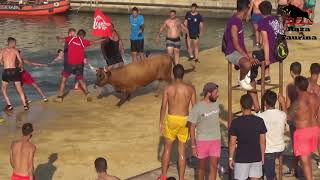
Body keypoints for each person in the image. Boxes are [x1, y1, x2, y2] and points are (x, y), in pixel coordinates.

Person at [158, 64, 196, 180]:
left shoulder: (168, 88)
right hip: (185, 120)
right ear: (183, 74)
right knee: (182, 150)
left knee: (168, 148)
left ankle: (164, 176)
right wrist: (194, 124)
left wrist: (161, 122)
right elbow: (195, 108)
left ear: (173, 75)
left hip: (171, 118)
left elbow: (163, 106)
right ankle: (182, 178)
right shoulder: (190, 89)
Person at [223, 0, 260, 111]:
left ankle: (257, 107)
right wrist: (247, 57)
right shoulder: (234, 22)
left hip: (239, 51)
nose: (250, 10)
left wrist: (249, 55)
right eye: (249, 8)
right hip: (231, 52)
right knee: (248, 64)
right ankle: (241, 79)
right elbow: (235, 45)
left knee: (257, 58)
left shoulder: (240, 20)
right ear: (245, 8)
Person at [280, 76, 320, 180]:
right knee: (307, 160)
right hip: (315, 129)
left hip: (303, 132)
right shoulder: (315, 96)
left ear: (297, 87)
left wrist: (283, 103)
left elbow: (288, 117)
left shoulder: (298, 101)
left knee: (305, 162)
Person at [56, 29, 103, 102]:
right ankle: (88, 94)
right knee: (80, 79)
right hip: (79, 65)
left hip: (70, 64)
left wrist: (58, 37)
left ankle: (59, 97)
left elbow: (61, 40)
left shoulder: (71, 38)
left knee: (63, 80)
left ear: (77, 34)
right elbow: (94, 42)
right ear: (83, 36)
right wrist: (103, 39)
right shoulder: (83, 41)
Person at [229, 94, 267, 180]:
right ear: (252, 105)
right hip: (256, 157)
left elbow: (232, 143)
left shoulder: (235, 122)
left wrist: (231, 158)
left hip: (241, 158)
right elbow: (263, 141)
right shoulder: (259, 121)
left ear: (241, 106)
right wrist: (262, 156)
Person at [188, 82, 222, 180]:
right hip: (202, 141)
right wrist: (193, 146)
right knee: (202, 168)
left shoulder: (216, 103)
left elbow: (215, 117)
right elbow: (192, 127)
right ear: (208, 94)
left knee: (214, 167)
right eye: (216, 93)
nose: (218, 94)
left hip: (216, 140)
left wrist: (224, 122)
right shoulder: (197, 108)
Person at [257, 90, 286, 180]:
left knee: (270, 175)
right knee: (269, 171)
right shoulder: (282, 114)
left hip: (268, 150)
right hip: (280, 147)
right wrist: (283, 103)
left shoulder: (260, 116)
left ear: (265, 102)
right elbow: (286, 114)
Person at [254, 1, 284, 84]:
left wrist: (267, 60)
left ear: (260, 11)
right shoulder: (277, 20)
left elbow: (265, 42)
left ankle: (250, 79)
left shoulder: (262, 22)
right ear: (271, 9)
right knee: (263, 51)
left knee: (254, 55)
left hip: (273, 54)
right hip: (282, 51)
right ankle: (266, 76)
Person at [0, 37, 28, 111]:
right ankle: (25, 106)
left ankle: (9, 105)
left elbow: (1, 62)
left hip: (6, 71)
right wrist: (20, 67)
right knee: (19, 89)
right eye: (15, 43)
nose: (15, 44)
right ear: (11, 43)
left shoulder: (2, 51)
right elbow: (20, 61)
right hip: (14, 71)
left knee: (3, 89)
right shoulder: (15, 51)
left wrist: (5, 64)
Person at [284, 61, 301, 177]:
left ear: (291, 72)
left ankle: (294, 170)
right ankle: (298, 167)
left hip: (294, 119)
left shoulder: (290, 86)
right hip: (305, 118)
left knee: (296, 145)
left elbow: (288, 104)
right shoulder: (306, 83)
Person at [307, 62, 320, 169]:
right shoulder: (318, 88)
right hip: (314, 117)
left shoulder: (305, 83)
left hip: (303, 117)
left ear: (310, 70)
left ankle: (297, 165)